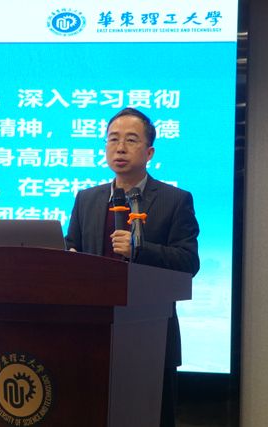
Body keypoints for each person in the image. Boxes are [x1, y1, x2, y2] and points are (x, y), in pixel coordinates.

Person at [65, 107, 200, 427]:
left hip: (151, 336)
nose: (120, 148)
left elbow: (188, 262)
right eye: (113, 139)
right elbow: (73, 247)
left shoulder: (175, 200)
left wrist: (140, 250)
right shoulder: (86, 199)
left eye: (130, 140)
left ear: (149, 152)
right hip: (92, 333)